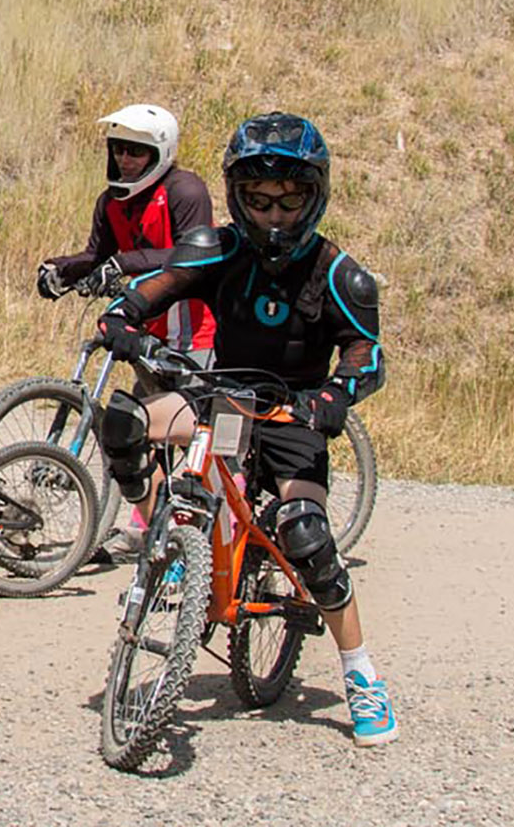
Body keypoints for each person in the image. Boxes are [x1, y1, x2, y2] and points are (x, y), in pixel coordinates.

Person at [93, 113, 397, 746]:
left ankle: (360, 673)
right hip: (223, 400)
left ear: (316, 195)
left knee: (307, 538)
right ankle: (167, 544)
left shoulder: (342, 275)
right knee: (122, 422)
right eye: (258, 202)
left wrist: (337, 396)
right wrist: (122, 317)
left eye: (289, 201)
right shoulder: (219, 248)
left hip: (294, 415)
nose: (274, 217)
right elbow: (156, 288)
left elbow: (366, 355)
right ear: (238, 197)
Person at [38, 104, 216, 358]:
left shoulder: (185, 190)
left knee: (182, 398)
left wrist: (123, 263)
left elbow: (195, 257)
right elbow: (96, 256)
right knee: (142, 399)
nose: (124, 159)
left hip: (197, 333)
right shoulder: (110, 202)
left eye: (136, 152)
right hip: (149, 325)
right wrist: (59, 271)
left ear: (160, 153)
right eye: (118, 149)